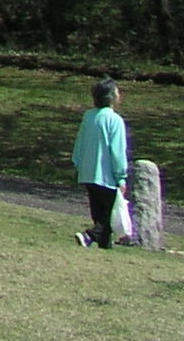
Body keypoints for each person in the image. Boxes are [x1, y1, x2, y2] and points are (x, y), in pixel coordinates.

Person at [72, 79, 130, 250]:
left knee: (99, 214)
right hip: (106, 176)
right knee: (110, 216)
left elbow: (79, 143)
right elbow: (117, 151)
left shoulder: (88, 116)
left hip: (87, 173)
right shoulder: (115, 120)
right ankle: (89, 236)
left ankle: (105, 247)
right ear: (111, 97)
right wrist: (121, 177)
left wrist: (78, 164)